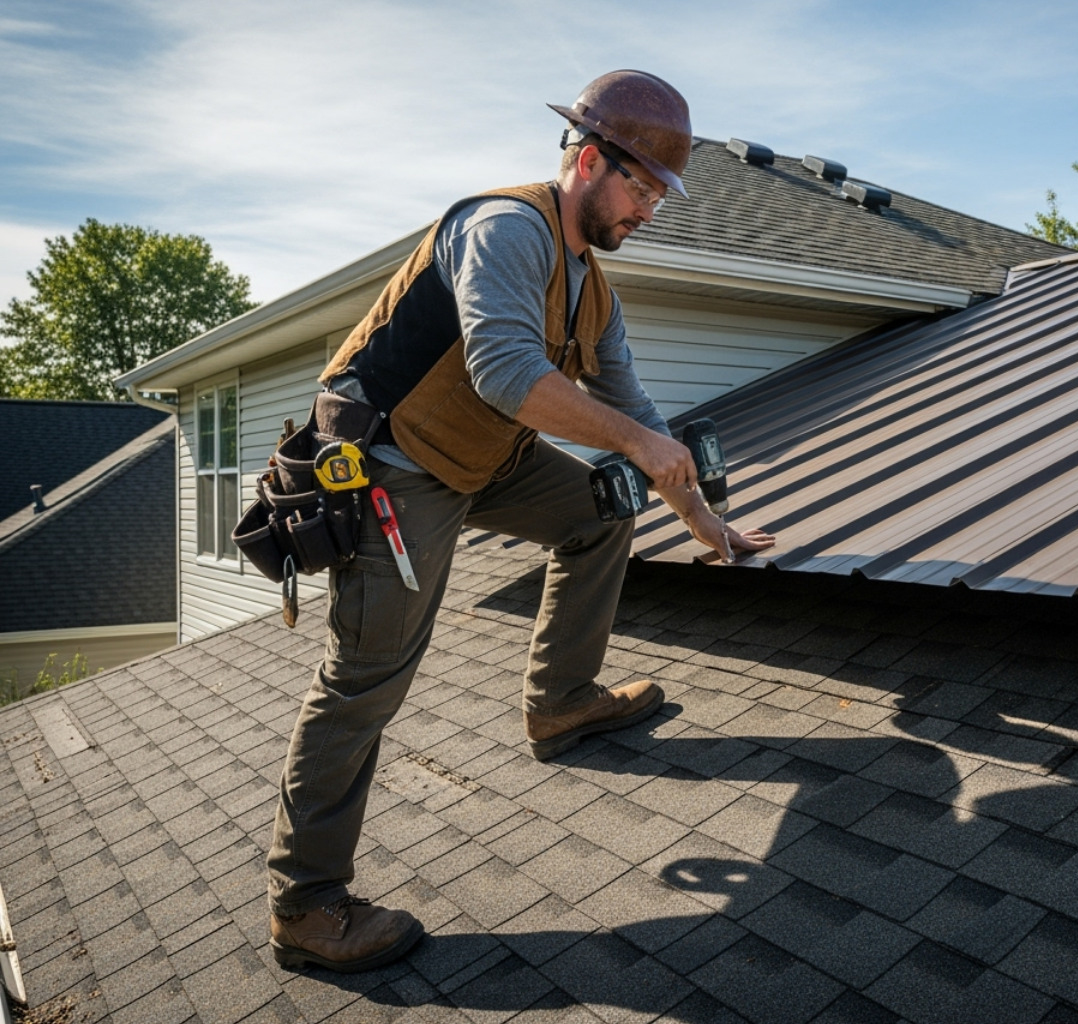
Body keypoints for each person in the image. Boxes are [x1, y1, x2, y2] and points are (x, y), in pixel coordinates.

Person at [265, 70, 774, 974]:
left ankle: (561, 702)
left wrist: (704, 519)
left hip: (484, 455)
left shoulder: (594, 291)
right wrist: (641, 449)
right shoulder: (505, 227)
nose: (651, 211)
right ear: (588, 160)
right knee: (367, 675)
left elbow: (640, 421)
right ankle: (305, 904)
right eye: (643, 188)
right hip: (394, 462)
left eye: (662, 194)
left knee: (601, 511)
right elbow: (504, 370)